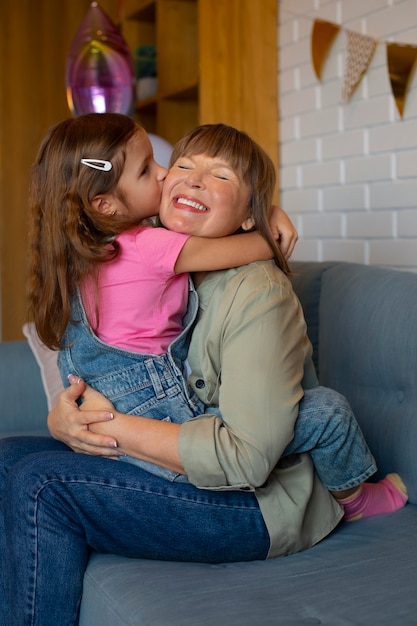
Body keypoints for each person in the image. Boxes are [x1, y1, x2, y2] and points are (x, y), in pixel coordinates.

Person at [0, 124, 407, 626]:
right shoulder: (162, 249)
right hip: (181, 442)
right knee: (6, 460)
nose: (182, 178)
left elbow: (246, 458)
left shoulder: (256, 292)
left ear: (247, 211)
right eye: (180, 166)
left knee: (40, 485)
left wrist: (105, 430)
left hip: (251, 502)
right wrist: (65, 421)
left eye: (220, 176)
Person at [26, 112, 288, 479]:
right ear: (105, 205)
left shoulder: (81, 253)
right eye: (146, 169)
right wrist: (268, 217)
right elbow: (258, 247)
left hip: (98, 408)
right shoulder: (152, 247)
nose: (165, 173)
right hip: (152, 412)